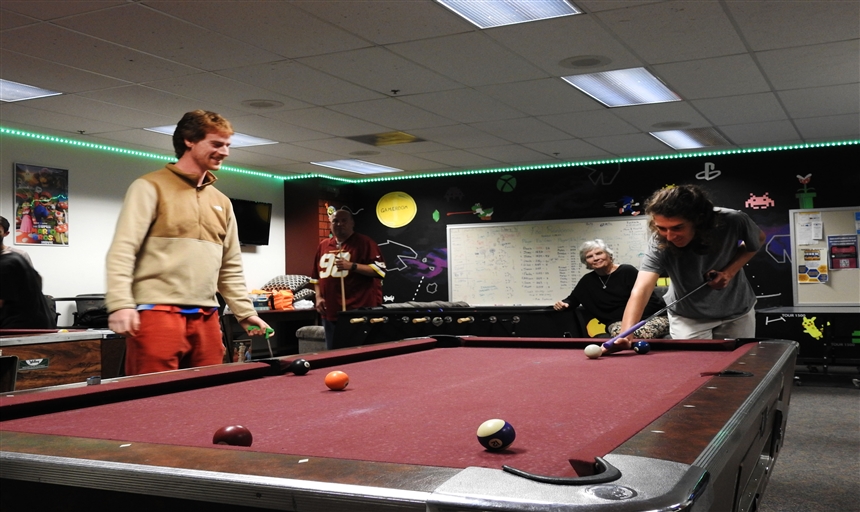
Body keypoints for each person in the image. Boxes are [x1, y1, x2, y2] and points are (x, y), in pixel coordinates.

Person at [106, 110, 270, 375]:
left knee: (207, 397)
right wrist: (121, 304)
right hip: (157, 313)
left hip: (206, 316)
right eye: (216, 144)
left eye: (228, 145)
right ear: (189, 140)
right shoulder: (149, 187)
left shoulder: (222, 202)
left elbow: (230, 266)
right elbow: (123, 250)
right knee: (153, 399)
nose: (225, 152)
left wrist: (245, 313)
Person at [615, 184, 765, 350]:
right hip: (687, 317)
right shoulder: (659, 240)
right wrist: (625, 334)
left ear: (699, 220)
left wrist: (729, 272)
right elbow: (642, 289)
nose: (670, 236)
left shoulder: (733, 220)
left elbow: (757, 241)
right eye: (662, 228)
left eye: (678, 227)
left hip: (737, 312)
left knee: (736, 370)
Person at [553, 239, 668, 339]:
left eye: (599, 253)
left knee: (636, 333)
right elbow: (572, 300)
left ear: (609, 255)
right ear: (585, 262)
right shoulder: (587, 281)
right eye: (589, 256)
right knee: (622, 333)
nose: (595, 258)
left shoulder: (627, 271)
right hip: (618, 324)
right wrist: (564, 304)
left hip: (652, 317)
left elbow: (647, 298)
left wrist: (631, 320)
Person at [311, 209, 386, 350]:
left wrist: (352, 266)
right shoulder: (323, 245)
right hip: (331, 310)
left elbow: (380, 271)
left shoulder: (365, 243)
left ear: (352, 223)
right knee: (334, 352)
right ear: (330, 224)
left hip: (359, 310)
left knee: (360, 352)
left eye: (344, 220)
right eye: (335, 221)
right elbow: (316, 277)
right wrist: (319, 297)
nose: (339, 224)